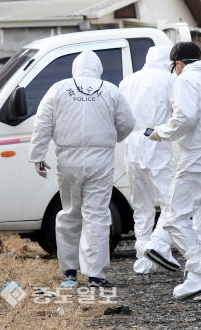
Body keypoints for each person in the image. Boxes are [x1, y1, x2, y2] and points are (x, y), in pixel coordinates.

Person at [29, 50, 135, 287]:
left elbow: (42, 123)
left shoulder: (58, 88)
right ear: (98, 69)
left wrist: (37, 155)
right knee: (96, 215)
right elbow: (128, 123)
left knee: (69, 213)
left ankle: (69, 270)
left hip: (68, 160)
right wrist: (112, 138)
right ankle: (97, 275)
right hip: (101, 160)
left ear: (75, 69)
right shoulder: (110, 90)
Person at [144, 42, 201, 301]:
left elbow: (186, 117)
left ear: (179, 64)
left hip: (196, 157)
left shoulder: (185, 81)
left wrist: (159, 133)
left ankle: (199, 273)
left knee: (174, 217)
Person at [118, 45, 180, 274]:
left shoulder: (128, 81)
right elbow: (178, 115)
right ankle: (158, 246)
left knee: (141, 204)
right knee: (170, 201)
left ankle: (143, 258)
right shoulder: (169, 80)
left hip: (132, 145)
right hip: (156, 140)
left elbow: (120, 117)